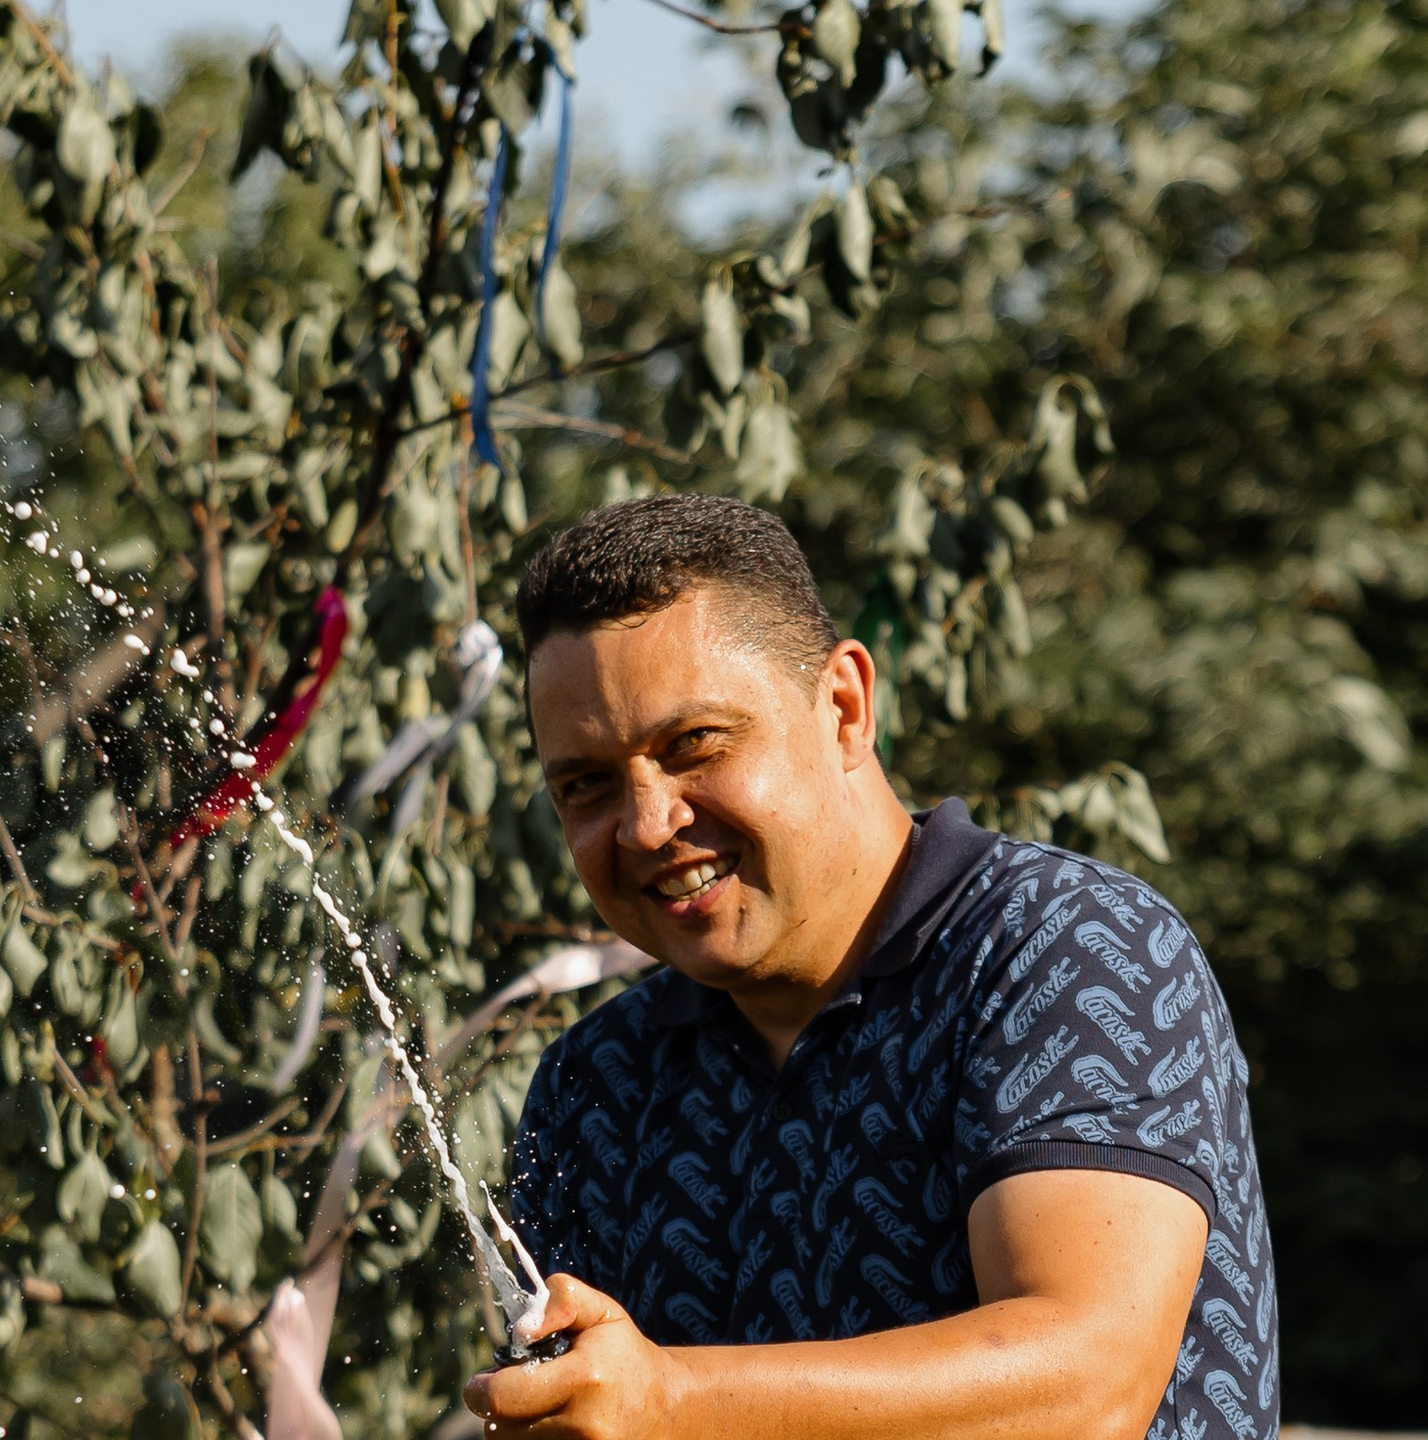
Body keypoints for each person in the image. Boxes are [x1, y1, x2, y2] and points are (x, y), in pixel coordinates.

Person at [469, 495, 1275, 1440]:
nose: (648, 824)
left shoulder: (1066, 949)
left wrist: (675, 1402)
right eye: (587, 785)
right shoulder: (594, 1083)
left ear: (846, 707)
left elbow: (1086, 1388)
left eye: (694, 745)